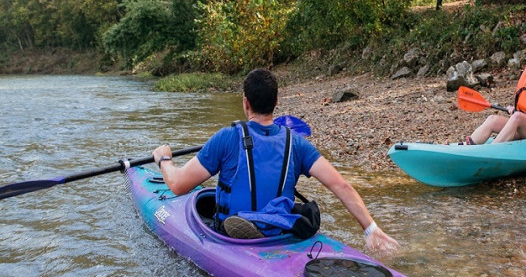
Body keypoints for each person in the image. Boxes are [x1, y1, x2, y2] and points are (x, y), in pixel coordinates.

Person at [152, 68, 398, 254]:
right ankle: (266, 223)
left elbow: (177, 185)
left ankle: (248, 223)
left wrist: (164, 159)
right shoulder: (297, 144)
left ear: (245, 103)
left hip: (231, 237)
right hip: (281, 234)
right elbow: (340, 185)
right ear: (277, 101)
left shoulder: (227, 138)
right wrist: (370, 229)